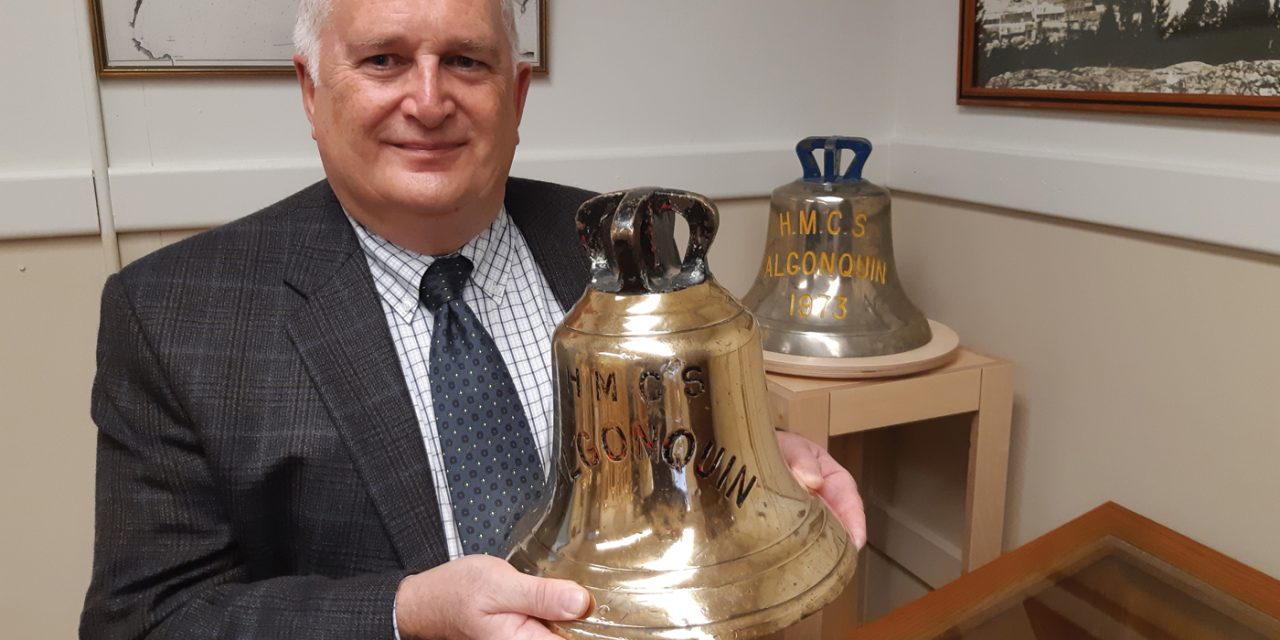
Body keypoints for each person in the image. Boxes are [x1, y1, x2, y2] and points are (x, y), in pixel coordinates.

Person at [81, 0, 867, 638]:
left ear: (515, 95)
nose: (428, 102)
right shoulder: (173, 315)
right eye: (383, 59)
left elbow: (661, 463)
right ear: (312, 91)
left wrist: (751, 470)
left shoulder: (633, 249)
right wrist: (403, 618)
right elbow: (144, 621)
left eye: (465, 60)